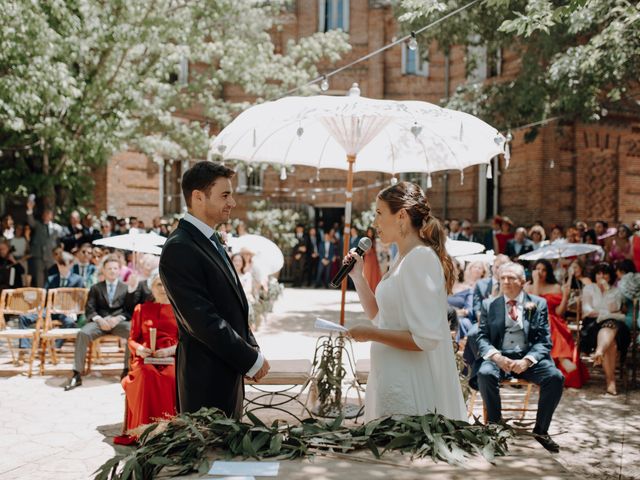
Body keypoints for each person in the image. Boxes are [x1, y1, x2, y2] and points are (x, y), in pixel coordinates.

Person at [346, 181, 467, 422]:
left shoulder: (420, 258)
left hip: (410, 384)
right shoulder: (401, 258)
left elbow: (425, 338)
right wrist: (357, 277)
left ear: (400, 215)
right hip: (390, 377)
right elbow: (382, 318)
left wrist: (371, 334)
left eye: (379, 213)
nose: (374, 223)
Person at [159, 161, 269, 419]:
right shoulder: (180, 247)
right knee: (211, 456)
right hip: (205, 381)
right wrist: (249, 359)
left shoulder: (209, 239)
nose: (232, 202)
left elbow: (232, 304)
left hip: (228, 371)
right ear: (198, 197)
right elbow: (202, 320)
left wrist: (251, 348)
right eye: (225, 195)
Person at [475, 262, 565, 452]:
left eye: (511, 278)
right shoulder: (489, 304)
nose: (506, 282)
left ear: (523, 281)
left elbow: (544, 340)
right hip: (499, 357)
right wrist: (497, 357)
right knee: (484, 373)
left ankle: (541, 431)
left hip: (528, 358)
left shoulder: (538, 303)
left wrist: (527, 361)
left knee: (555, 377)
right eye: (502, 278)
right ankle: (495, 425)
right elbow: (481, 337)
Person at [117, 273, 178, 444]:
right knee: (145, 375)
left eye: (166, 284)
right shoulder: (141, 309)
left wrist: (170, 351)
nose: (163, 289)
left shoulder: (180, 309)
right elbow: (132, 339)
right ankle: (143, 431)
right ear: (152, 287)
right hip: (145, 357)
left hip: (172, 355)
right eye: (159, 284)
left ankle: (167, 429)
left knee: (171, 377)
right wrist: (141, 349)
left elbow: (186, 340)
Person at [63, 254, 137, 391]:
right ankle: (77, 374)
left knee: (132, 331)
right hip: (99, 322)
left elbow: (129, 310)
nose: (112, 271)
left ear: (119, 270)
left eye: (115, 268)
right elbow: (89, 309)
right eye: (109, 268)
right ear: (103, 270)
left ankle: (126, 370)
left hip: (118, 323)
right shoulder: (96, 288)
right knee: (83, 333)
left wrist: (117, 319)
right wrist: (99, 319)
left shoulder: (126, 288)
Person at [525, 259, 588, 388]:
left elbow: (559, 312)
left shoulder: (555, 287)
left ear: (548, 272)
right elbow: (534, 309)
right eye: (538, 269)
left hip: (553, 321)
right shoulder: (527, 287)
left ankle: (559, 357)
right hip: (531, 321)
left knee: (550, 319)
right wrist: (536, 282)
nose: (541, 272)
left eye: (544, 270)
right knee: (546, 319)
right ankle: (561, 357)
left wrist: (565, 296)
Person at [581, 262, 631, 395]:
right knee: (612, 343)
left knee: (610, 327)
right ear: (595, 275)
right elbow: (587, 310)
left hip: (613, 324)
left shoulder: (615, 291)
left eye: (605, 273)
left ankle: (600, 352)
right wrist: (605, 313)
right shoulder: (589, 288)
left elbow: (614, 307)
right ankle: (611, 381)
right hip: (593, 325)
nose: (601, 276)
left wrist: (607, 290)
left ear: (610, 276)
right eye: (599, 273)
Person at [18, 251, 85, 349]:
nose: (61, 267)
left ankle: (55, 347)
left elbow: (81, 300)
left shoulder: (78, 280)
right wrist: (37, 306)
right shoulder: (51, 279)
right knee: (23, 317)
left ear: (71, 265)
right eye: (59, 264)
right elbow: (44, 297)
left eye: (64, 265)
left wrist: (74, 310)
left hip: (67, 311)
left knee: (70, 322)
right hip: (51, 309)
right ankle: (24, 348)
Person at [25, 198, 67, 287]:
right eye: (45, 213)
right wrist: (29, 209)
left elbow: (64, 237)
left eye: (48, 213)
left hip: (50, 256)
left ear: (52, 216)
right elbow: (30, 221)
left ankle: (51, 295)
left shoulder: (56, 228)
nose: (46, 215)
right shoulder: (38, 225)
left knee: (51, 277)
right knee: (39, 278)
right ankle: (41, 296)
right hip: (39, 256)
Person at [362, 227, 382, 292]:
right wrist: (368, 250)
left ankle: (374, 291)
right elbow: (363, 251)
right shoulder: (365, 240)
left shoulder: (374, 240)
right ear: (367, 232)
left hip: (374, 259)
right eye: (369, 232)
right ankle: (367, 291)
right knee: (367, 275)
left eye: (371, 232)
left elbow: (378, 250)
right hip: (368, 259)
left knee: (374, 275)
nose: (370, 233)